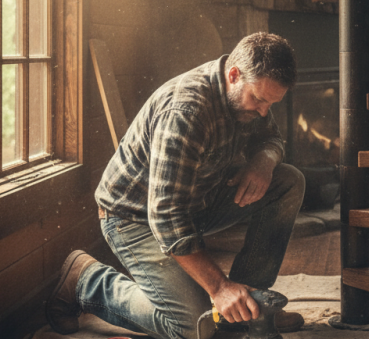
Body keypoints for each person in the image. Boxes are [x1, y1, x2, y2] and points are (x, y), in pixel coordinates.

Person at [45, 32, 306, 339]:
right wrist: (219, 287)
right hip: (134, 218)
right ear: (233, 75)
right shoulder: (186, 110)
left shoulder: (250, 93)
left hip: (196, 203)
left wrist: (264, 160)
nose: (264, 111)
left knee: (288, 182)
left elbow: (271, 138)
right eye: (260, 100)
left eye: (271, 103)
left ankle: (249, 305)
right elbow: (167, 216)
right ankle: (86, 281)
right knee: (194, 327)